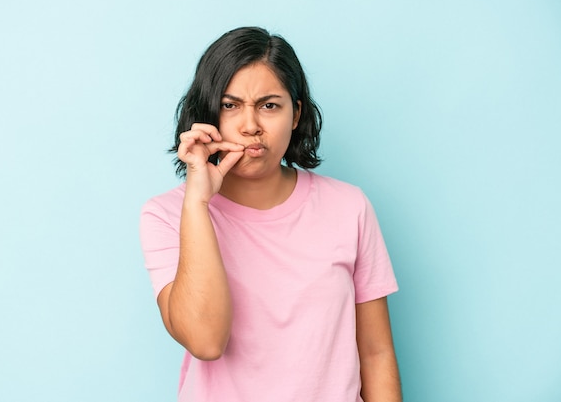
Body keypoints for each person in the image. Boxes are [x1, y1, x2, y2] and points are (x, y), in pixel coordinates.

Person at [140, 26, 401, 402]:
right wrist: (197, 203)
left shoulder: (349, 207)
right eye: (230, 106)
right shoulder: (164, 215)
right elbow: (206, 340)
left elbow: (376, 354)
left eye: (269, 105)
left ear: (295, 114)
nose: (250, 126)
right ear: (207, 113)